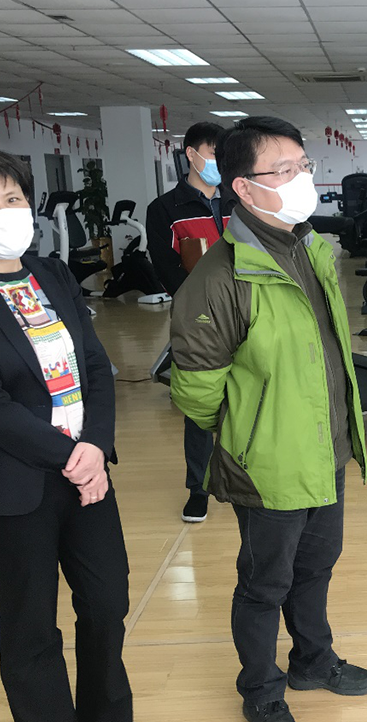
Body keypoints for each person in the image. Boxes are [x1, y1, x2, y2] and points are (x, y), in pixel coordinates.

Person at [169, 116, 367, 722]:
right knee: (265, 584)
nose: (301, 179)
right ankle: (261, 687)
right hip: (268, 464)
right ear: (243, 186)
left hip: (326, 448)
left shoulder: (310, 247)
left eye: (303, 166)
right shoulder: (218, 278)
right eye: (284, 171)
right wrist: (253, 434)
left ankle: (314, 660)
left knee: (316, 567)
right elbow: (197, 392)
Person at [0, 147, 135, 722]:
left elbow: (94, 366)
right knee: (30, 623)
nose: (5, 212)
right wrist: (74, 456)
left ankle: (109, 718)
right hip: (12, 485)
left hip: (86, 475)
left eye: (12, 198)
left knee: (107, 603)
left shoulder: (52, 274)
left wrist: (95, 447)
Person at [145, 121, 231, 523]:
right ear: (192, 154)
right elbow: (166, 267)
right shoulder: (165, 209)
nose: (219, 163)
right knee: (199, 403)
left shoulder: (238, 199)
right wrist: (200, 304)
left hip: (244, 313)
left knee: (250, 395)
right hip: (198, 320)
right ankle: (198, 488)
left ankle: (246, 476)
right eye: (213, 154)